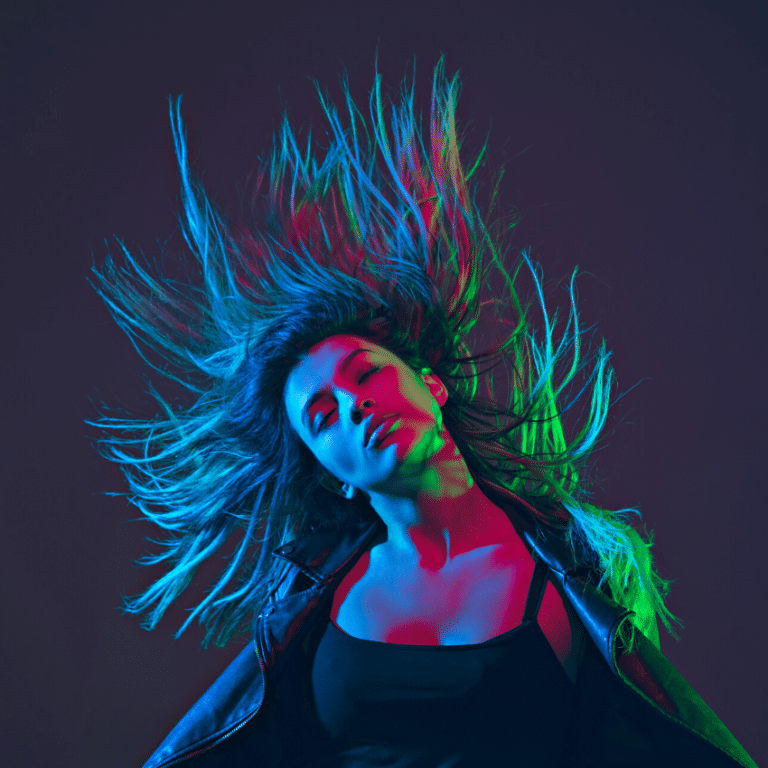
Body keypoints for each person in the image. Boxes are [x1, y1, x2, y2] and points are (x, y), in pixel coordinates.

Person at [89, 57, 757, 767]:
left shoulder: (580, 569)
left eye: (366, 373)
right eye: (322, 416)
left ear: (431, 387)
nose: (354, 405)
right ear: (331, 472)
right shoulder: (312, 602)